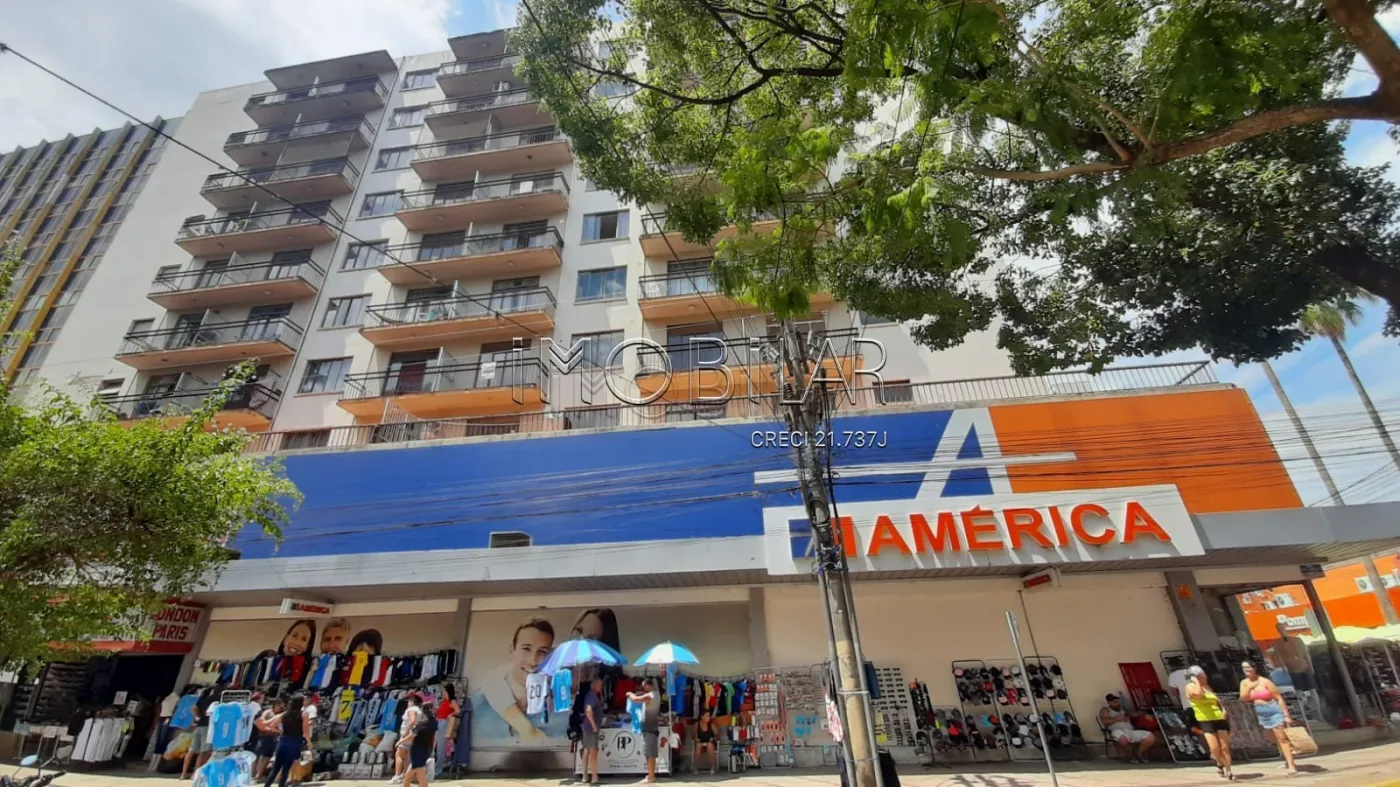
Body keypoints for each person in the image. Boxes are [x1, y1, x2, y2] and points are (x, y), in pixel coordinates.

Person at [471, 617, 561, 743]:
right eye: (526, 649)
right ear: (511, 651)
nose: (532, 661)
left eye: (542, 652)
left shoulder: (559, 713)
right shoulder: (478, 705)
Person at [1240, 661, 1297, 774]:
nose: (1245, 669)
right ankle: (1287, 758)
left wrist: (1286, 715)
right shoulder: (1244, 683)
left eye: (1248, 667)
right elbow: (1244, 698)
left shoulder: (1265, 681)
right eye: (1243, 667)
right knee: (1272, 738)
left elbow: (1278, 698)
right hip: (1261, 712)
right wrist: (1250, 687)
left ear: (1254, 668)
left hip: (1273, 709)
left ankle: (1291, 764)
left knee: (1281, 737)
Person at [1184, 666, 1233, 781]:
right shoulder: (1190, 687)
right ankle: (1219, 762)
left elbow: (1216, 699)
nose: (1205, 677)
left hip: (1219, 718)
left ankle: (1229, 771)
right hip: (1205, 719)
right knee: (1214, 748)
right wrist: (1196, 682)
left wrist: (1223, 709)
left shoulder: (1208, 686)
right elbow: (1199, 694)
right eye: (1202, 676)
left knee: (1225, 747)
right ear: (1196, 677)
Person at [264, 696, 311, 787]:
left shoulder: (285, 714)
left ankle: (267, 785)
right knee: (286, 768)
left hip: (283, 740)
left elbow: (272, 726)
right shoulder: (304, 715)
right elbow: (305, 731)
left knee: (276, 767)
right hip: (295, 741)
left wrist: (280, 731)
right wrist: (309, 742)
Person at [1099, 693, 1156, 764]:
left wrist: (1144, 714)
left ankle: (1139, 754)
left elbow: (1133, 714)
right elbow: (1105, 721)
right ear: (1109, 703)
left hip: (1130, 730)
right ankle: (1130, 757)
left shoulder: (1123, 709)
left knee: (1150, 737)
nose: (1117, 704)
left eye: (1118, 701)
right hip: (1117, 731)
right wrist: (1117, 719)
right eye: (1115, 702)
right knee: (1123, 740)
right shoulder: (1105, 710)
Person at [627, 678, 661, 783]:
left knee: (649, 754)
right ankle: (651, 775)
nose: (643, 688)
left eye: (644, 686)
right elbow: (644, 695)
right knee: (651, 754)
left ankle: (651, 777)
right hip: (652, 728)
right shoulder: (657, 694)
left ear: (648, 685)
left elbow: (635, 699)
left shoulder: (649, 696)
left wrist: (629, 694)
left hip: (648, 729)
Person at [182, 686, 219, 779]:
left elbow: (194, 708)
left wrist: (198, 717)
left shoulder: (202, 699)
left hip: (199, 725)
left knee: (191, 751)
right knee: (203, 752)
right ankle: (195, 774)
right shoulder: (216, 699)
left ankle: (183, 773)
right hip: (208, 726)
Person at [1268, 622, 1315, 692]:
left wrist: (1311, 666)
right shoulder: (1277, 643)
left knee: (1311, 689)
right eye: (1279, 628)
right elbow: (1279, 657)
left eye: (1281, 628)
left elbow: (1306, 654)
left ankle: (1312, 698)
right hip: (1293, 669)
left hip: (1303, 667)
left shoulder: (1297, 640)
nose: (1281, 630)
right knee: (1300, 689)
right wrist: (1284, 668)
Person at [390, 693, 424, 785]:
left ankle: (397, 775)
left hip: (407, 735)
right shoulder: (419, 710)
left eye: (409, 701)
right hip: (415, 735)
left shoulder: (411, 710)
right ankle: (404, 775)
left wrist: (405, 734)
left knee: (399, 754)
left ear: (412, 702)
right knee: (408, 757)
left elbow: (412, 721)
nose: (408, 703)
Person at [402, 703, 438, 787]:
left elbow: (412, 735)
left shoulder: (422, 723)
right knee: (421, 776)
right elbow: (433, 737)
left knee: (408, 776)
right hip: (426, 749)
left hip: (417, 750)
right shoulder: (434, 722)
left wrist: (401, 741)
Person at [252, 699, 284, 781]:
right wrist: (270, 727)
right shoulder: (268, 712)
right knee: (259, 755)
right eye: (279, 705)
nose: (280, 707)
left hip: (273, 737)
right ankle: (253, 773)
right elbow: (262, 721)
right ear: (275, 705)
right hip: (264, 736)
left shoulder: (279, 715)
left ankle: (259, 774)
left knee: (267, 756)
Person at [580, 678, 604, 786]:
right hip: (590, 729)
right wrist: (594, 725)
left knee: (587, 751)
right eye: (600, 685)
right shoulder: (592, 696)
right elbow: (588, 710)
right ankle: (594, 777)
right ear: (594, 685)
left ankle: (585, 776)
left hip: (587, 728)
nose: (601, 687)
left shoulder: (591, 695)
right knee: (593, 752)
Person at [433, 685, 460, 779]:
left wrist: (450, 714)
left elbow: (458, 710)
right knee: (436, 746)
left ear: (448, 692)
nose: (443, 693)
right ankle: (437, 767)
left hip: (443, 723)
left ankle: (438, 769)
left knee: (440, 747)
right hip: (439, 722)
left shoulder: (451, 701)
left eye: (444, 691)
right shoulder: (443, 702)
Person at [696, 710, 718, 774]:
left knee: (709, 745)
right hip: (701, 746)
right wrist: (696, 739)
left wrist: (713, 738)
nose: (709, 717)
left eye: (709, 716)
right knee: (698, 745)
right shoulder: (697, 724)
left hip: (710, 745)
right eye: (707, 716)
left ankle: (712, 767)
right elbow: (693, 736)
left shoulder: (712, 725)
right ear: (702, 717)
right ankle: (695, 767)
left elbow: (718, 736)